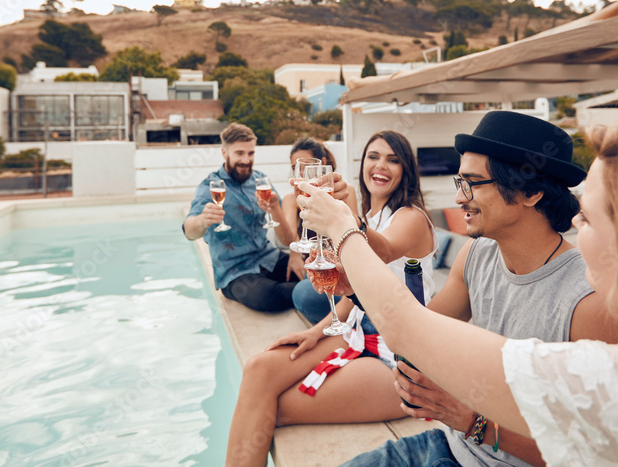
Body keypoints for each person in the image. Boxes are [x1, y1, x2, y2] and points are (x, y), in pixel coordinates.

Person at [301, 116, 618, 467]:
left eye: (587, 217)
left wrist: (345, 232)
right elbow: (420, 335)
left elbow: (409, 326)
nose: (574, 224)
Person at [225, 130, 438, 467]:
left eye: (393, 160)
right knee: (259, 370)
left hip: (396, 353)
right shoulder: (371, 216)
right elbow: (358, 294)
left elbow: (380, 250)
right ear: (362, 164)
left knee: (271, 407)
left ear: (406, 170)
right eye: (374, 157)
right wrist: (318, 330)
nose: (381, 166)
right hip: (355, 331)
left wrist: (342, 215)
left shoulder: (411, 218)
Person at [183, 123, 304, 312]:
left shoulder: (260, 180)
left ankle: (308, 291)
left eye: (251, 153)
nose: (246, 160)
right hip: (234, 272)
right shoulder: (210, 186)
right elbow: (189, 231)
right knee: (267, 298)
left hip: (267, 257)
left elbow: (286, 238)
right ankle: (308, 293)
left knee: (312, 274)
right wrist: (202, 220)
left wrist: (274, 210)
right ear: (224, 153)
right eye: (239, 153)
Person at [258, 137, 357, 323]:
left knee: (301, 294)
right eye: (295, 167)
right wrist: (275, 209)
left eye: (304, 166)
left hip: (338, 269)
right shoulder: (292, 198)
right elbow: (288, 239)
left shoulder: (343, 191)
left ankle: (345, 320)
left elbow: (354, 236)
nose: (299, 172)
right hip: (309, 269)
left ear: (322, 163)